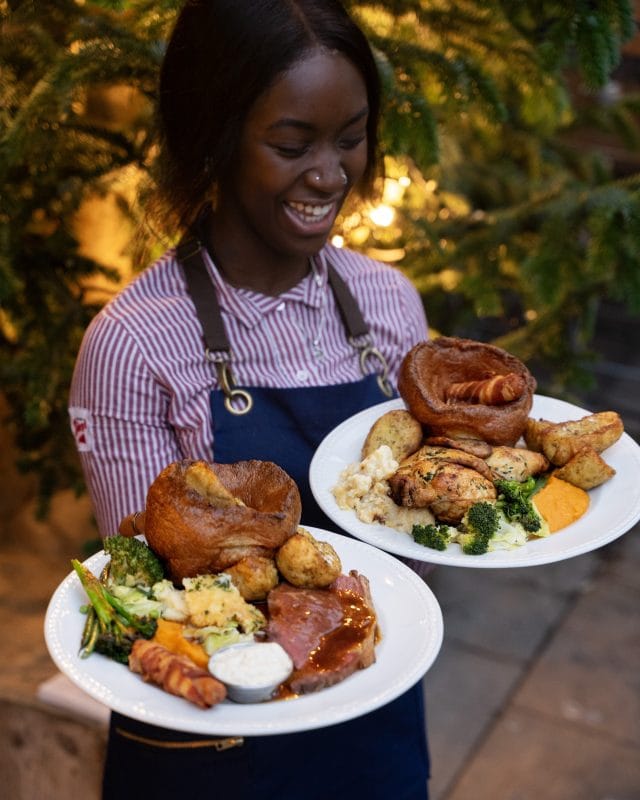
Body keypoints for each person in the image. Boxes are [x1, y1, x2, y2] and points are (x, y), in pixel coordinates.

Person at [69, 1, 431, 797]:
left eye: (351, 137)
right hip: (212, 741)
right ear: (216, 138)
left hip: (372, 722)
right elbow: (145, 591)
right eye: (292, 145)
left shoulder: (391, 305)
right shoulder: (133, 345)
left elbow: (416, 541)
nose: (332, 174)